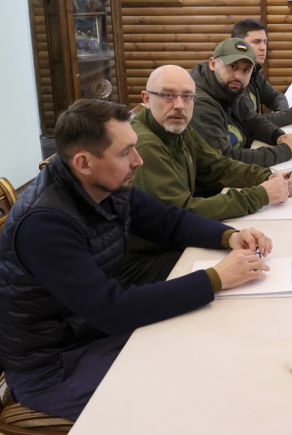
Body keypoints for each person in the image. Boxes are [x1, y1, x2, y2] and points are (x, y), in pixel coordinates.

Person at [0, 99, 275, 421]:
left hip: (93, 335)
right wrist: (216, 278)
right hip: (55, 366)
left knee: (215, 348)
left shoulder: (103, 184)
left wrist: (228, 236)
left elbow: (168, 221)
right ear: (84, 163)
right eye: (125, 152)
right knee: (195, 399)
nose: (138, 160)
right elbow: (113, 310)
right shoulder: (45, 225)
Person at [122, 65, 292, 284]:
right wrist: (260, 195)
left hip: (175, 240)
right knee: (252, 269)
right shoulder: (145, 146)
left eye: (187, 97)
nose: (179, 105)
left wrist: (266, 176)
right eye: (168, 95)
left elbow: (218, 165)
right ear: (146, 99)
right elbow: (182, 213)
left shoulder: (178, 128)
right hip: (148, 258)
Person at [190, 37, 292, 168]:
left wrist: (278, 136)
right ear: (213, 64)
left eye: (246, 70)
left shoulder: (230, 89)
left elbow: (252, 120)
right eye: (232, 67)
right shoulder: (199, 103)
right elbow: (225, 159)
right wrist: (285, 151)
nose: (238, 76)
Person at [231, 19, 292, 126]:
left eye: (264, 42)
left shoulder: (254, 72)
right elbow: (250, 122)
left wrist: (282, 115)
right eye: (256, 42)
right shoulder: (232, 79)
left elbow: (276, 97)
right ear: (238, 45)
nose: (263, 47)